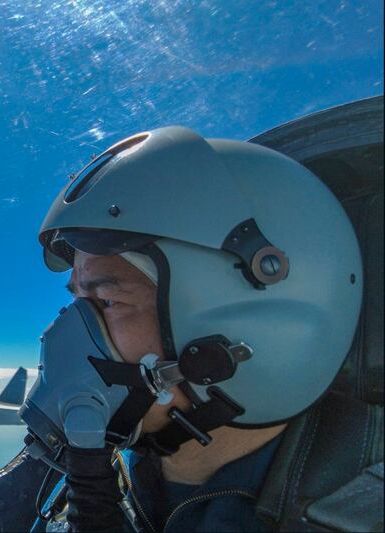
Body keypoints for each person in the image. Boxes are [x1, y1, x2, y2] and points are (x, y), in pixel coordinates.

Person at [33, 126, 364, 531]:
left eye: (107, 301)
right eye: (76, 301)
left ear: (239, 322)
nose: (66, 334)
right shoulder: (101, 476)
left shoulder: (354, 513)